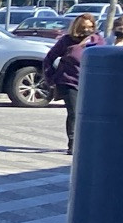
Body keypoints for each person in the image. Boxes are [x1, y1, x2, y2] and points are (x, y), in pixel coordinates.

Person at [41, 13, 98, 152]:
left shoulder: (97, 40)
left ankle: (87, 141)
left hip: (92, 84)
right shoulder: (66, 41)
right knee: (74, 112)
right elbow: (49, 59)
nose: (87, 30)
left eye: (90, 27)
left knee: (89, 115)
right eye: (84, 27)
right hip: (69, 81)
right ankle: (73, 143)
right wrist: (51, 78)